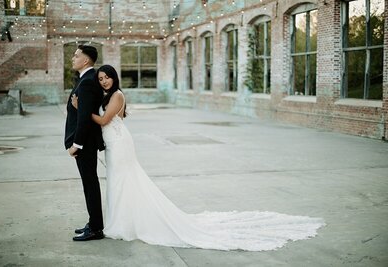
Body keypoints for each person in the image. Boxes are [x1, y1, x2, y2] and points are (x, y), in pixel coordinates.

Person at [73, 64, 325, 251]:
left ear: (115, 78)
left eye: (108, 77)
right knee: (118, 182)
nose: (105, 81)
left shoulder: (117, 95)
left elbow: (105, 120)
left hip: (120, 144)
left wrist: (80, 110)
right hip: (113, 143)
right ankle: (119, 221)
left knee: (126, 181)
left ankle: (127, 223)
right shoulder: (107, 95)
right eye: (102, 79)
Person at [64, 45, 105, 241]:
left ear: (86, 60)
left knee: (90, 184)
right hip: (85, 143)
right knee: (89, 183)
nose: (73, 58)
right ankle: (93, 223)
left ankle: (96, 228)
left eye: (76, 55)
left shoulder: (88, 82)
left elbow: (84, 119)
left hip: (85, 144)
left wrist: (76, 145)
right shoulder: (86, 79)